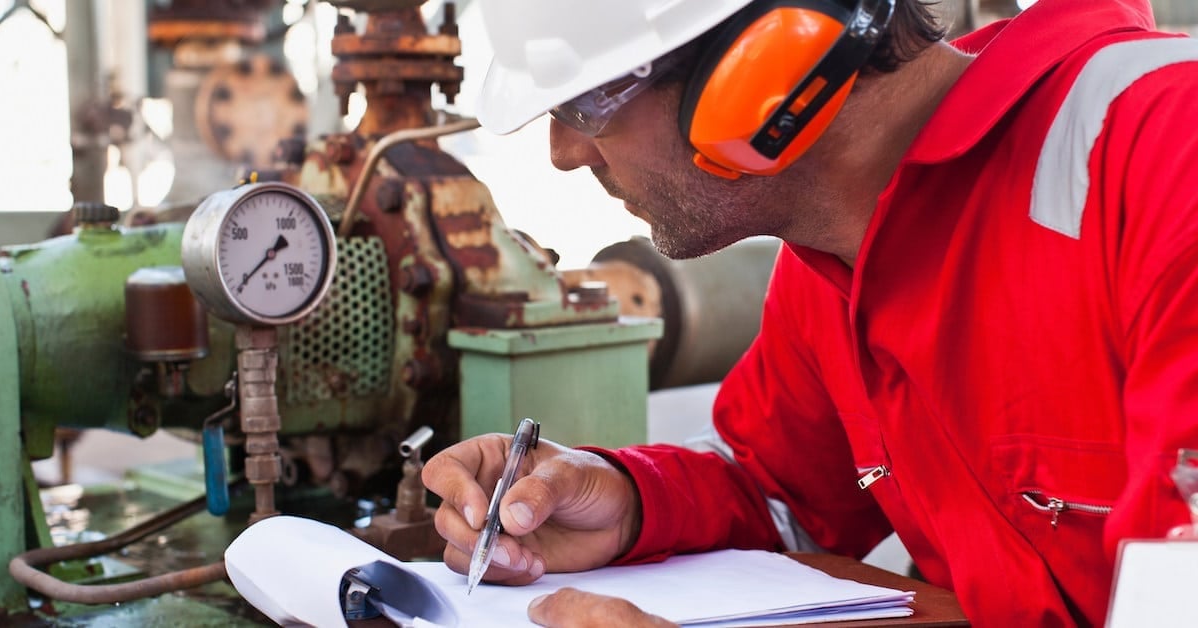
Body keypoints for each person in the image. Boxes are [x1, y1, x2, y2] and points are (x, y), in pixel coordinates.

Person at [422, 0, 1198, 625]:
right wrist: (624, 502)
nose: (564, 151)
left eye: (586, 104)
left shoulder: (1162, 150)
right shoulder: (831, 263)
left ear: (764, 65)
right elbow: (781, 495)